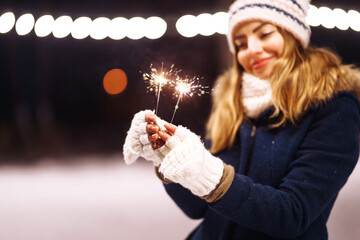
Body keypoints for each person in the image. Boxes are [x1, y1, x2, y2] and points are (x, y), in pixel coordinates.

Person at [122, 0, 360, 239]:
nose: (252, 49)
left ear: (293, 35)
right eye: (241, 43)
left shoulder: (334, 108)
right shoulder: (232, 105)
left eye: (265, 34)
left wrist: (213, 175)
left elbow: (292, 215)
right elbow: (195, 208)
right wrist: (169, 158)